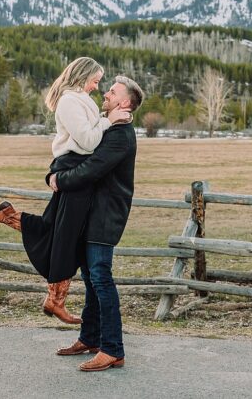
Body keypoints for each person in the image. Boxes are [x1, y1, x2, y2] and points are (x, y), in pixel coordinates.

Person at [0, 57, 131, 324]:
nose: (97, 87)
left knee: (57, 227)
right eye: (95, 80)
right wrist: (109, 119)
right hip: (72, 165)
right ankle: (55, 300)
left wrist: (105, 118)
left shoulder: (80, 99)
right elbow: (88, 141)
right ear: (83, 76)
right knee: (66, 235)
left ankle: (10, 216)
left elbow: (89, 134)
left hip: (73, 165)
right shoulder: (70, 101)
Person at [49, 75, 144, 372]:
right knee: (91, 278)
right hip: (95, 213)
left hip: (105, 216)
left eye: (113, 91)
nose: (106, 93)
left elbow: (91, 169)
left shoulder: (120, 134)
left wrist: (59, 180)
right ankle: (90, 338)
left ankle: (113, 349)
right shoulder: (112, 127)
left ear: (125, 102)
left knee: (101, 278)